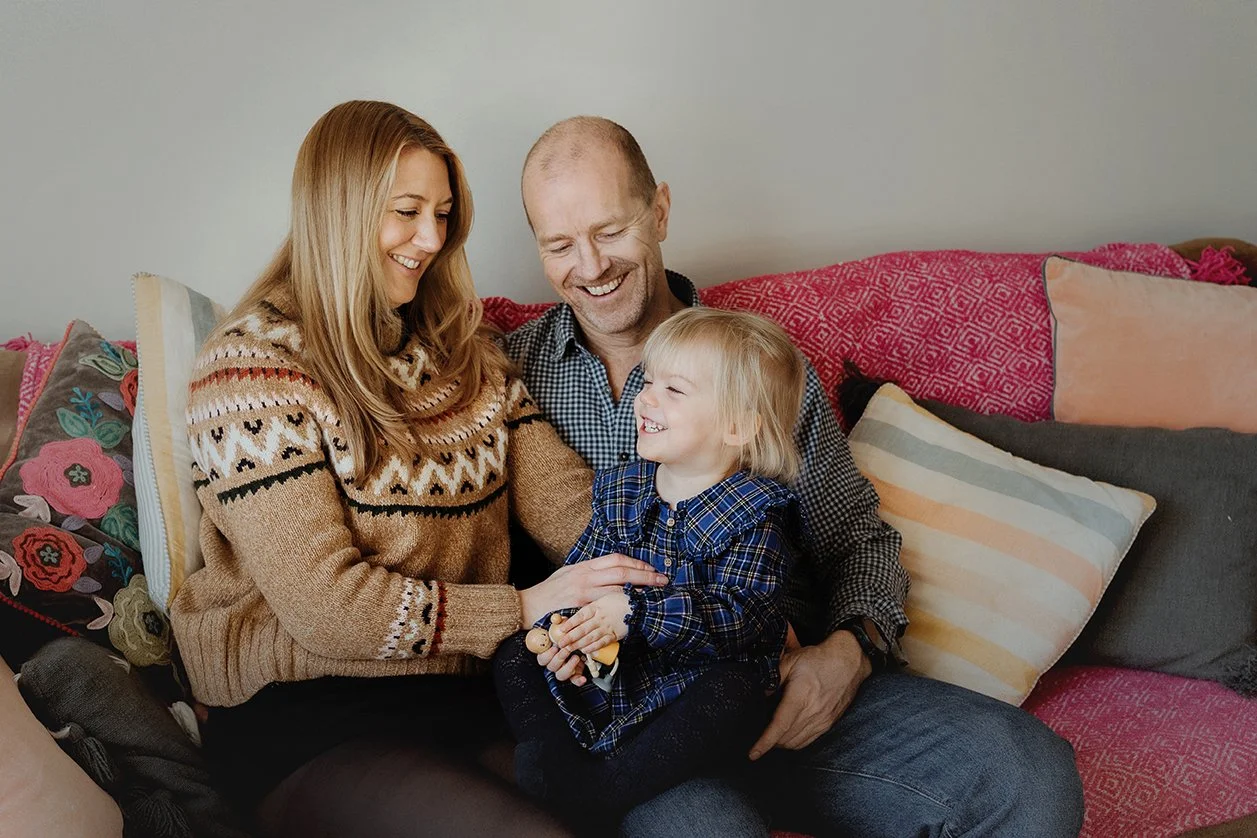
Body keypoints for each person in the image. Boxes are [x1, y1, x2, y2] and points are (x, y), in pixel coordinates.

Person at [504, 116, 1085, 837]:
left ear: (658, 211)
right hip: (645, 721)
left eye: (610, 230)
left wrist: (847, 655)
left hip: (782, 682)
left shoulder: (759, 368)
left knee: (1027, 774)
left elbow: (855, 542)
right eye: (559, 245)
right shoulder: (508, 378)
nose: (589, 266)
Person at [168, 100, 669, 838]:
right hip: (308, 712)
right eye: (406, 212)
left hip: (467, 694)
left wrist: (684, 587)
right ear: (339, 210)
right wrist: (523, 608)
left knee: (630, 811)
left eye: (442, 213)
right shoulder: (252, 368)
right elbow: (324, 606)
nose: (430, 239)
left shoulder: (465, 354)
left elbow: (570, 508)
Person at [495, 307, 807, 827]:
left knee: (737, 690)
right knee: (515, 654)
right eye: (648, 380)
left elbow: (744, 617)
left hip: (690, 694)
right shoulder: (623, 491)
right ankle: (559, 763)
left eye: (675, 390)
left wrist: (636, 613)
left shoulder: (757, 514)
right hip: (613, 675)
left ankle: (601, 792)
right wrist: (567, 638)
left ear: (736, 427)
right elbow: (582, 578)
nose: (645, 397)